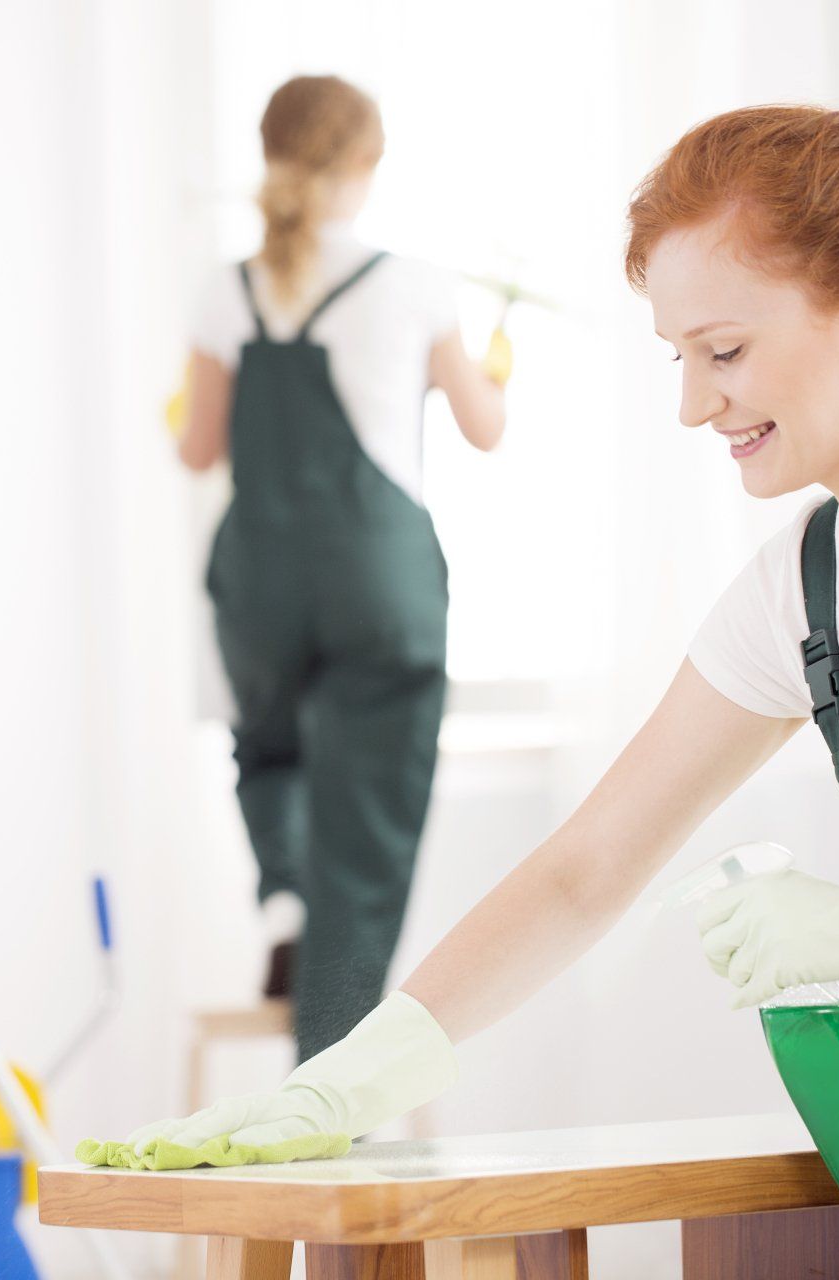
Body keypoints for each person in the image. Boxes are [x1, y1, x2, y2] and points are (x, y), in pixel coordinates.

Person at [100, 98, 839, 1276]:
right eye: (679, 358)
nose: (693, 403)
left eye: (725, 351)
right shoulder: (801, 587)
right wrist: (343, 1079)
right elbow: (586, 867)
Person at [176, 75, 511, 1062]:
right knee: (366, 816)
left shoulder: (225, 290)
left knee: (269, 748)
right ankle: (329, 1073)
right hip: (375, 576)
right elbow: (485, 428)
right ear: (367, 164)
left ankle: (283, 893)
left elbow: (197, 449)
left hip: (261, 578)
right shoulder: (413, 284)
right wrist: (495, 371)